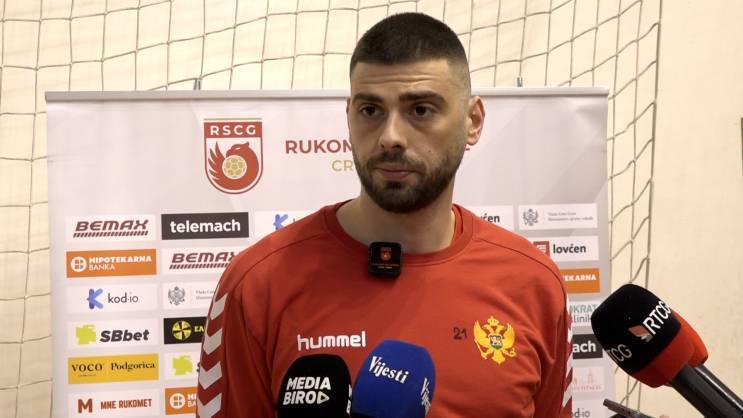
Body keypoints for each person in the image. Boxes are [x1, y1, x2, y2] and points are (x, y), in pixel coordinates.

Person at [197, 12, 572, 418]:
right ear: (349, 116)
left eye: (421, 110)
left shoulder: (534, 283)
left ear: (473, 121)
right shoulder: (256, 284)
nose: (391, 136)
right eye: (371, 110)